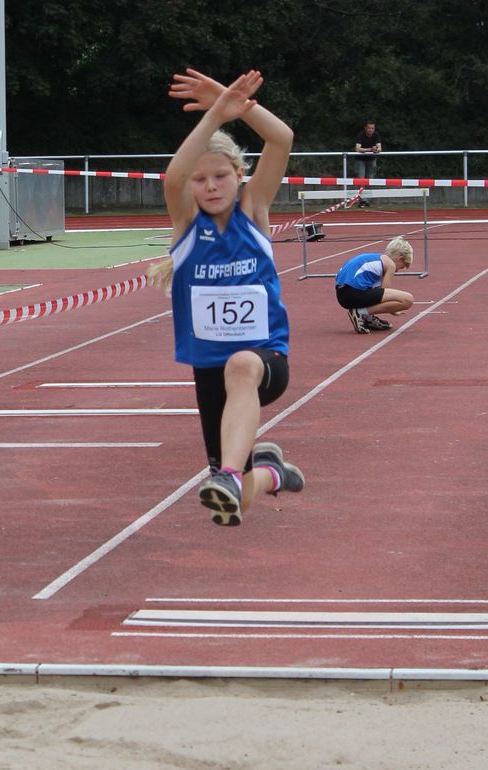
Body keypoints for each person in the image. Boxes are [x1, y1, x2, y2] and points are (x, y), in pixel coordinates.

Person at [147, 68, 304, 526]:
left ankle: (231, 473)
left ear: (239, 175)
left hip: (264, 360)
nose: (211, 186)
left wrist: (237, 106)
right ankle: (268, 473)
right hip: (209, 369)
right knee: (235, 508)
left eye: (220, 176)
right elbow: (174, 177)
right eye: (201, 180)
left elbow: (282, 139)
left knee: (241, 365)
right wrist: (215, 113)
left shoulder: (253, 212)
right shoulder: (187, 226)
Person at [335, 236, 414, 334]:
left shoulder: (375, 259)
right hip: (353, 292)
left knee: (374, 291)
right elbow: (386, 292)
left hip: (342, 294)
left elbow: (376, 292)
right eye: (401, 267)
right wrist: (395, 308)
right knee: (408, 300)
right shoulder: (390, 264)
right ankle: (361, 313)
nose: (397, 271)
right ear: (400, 258)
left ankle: (368, 318)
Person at [355, 120, 381, 207]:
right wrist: (370, 149)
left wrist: (376, 149)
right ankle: (362, 201)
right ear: (365, 128)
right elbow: (357, 148)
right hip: (361, 160)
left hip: (372, 159)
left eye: (372, 128)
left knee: (370, 180)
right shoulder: (361, 135)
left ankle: (367, 200)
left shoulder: (376, 135)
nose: (371, 130)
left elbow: (379, 148)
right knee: (361, 180)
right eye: (369, 128)